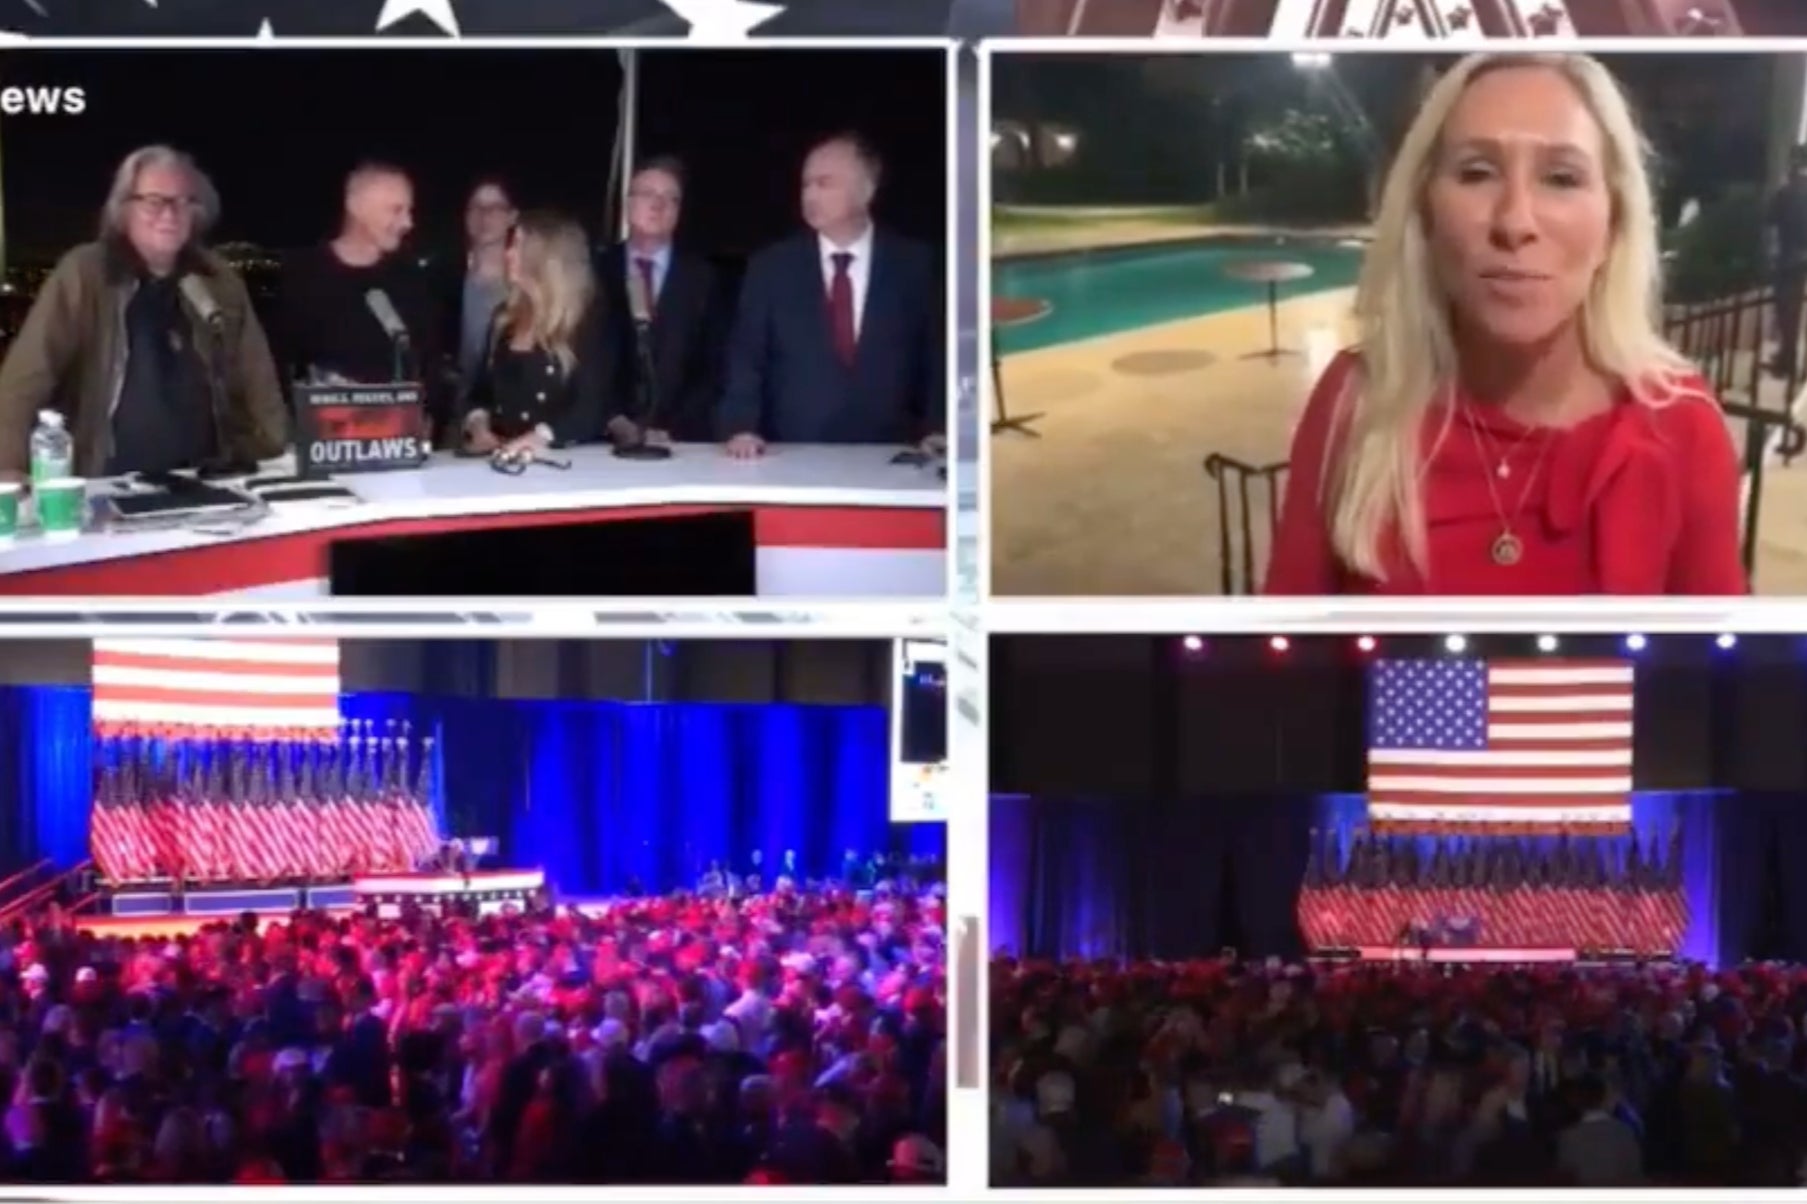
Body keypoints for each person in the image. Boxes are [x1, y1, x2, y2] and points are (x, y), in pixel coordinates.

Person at [1264, 53, 1745, 596]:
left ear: (1614, 222)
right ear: (1424, 211)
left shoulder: (1682, 427)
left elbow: (1711, 676)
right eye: (1476, 172)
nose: (1515, 221)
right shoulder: (1354, 402)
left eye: (1561, 178)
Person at [0, 145, 288, 479]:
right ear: (124, 208)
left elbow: (257, 377)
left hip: (204, 482)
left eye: (182, 201)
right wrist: (8, 467)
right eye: (154, 201)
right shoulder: (87, 273)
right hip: (105, 484)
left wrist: (274, 456)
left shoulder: (217, 280)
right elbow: (27, 378)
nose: (169, 214)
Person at [718, 133, 943, 457]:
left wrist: (939, 428)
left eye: (824, 184)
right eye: (806, 184)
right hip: (792, 454)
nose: (810, 195)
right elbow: (746, 357)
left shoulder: (915, 265)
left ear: (866, 189)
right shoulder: (771, 267)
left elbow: (935, 355)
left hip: (893, 456)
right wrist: (740, 427)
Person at [278, 162, 448, 436]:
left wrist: (427, 418)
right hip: (326, 443)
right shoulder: (303, 277)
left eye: (409, 210)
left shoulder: (410, 278)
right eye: (396, 210)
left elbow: (430, 363)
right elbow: (278, 370)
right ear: (356, 207)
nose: (408, 223)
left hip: (399, 447)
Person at [460, 210, 610, 457]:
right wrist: (478, 424)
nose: (508, 254)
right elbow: (480, 393)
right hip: (502, 463)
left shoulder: (586, 322)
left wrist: (540, 437)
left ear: (545, 257)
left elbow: (592, 408)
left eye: (518, 246)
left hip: (564, 468)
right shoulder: (504, 319)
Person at [597, 157, 725, 444]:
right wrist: (614, 420)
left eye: (671, 198)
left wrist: (674, 429)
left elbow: (714, 366)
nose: (659, 205)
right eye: (648, 195)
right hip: (602, 442)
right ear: (628, 204)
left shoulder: (704, 278)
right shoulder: (596, 272)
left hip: (681, 444)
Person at [446, 177, 518, 401]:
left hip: (506, 415)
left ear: (512, 216)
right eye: (476, 207)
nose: (484, 216)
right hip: (450, 415)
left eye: (495, 208)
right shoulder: (443, 281)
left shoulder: (525, 283)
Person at [1766, 146, 1807, 380]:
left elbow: (1771, 223)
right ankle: (1788, 358)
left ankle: (1787, 359)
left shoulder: (1786, 192)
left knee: (1786, 312)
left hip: (1789, 258)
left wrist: (1772, 254)